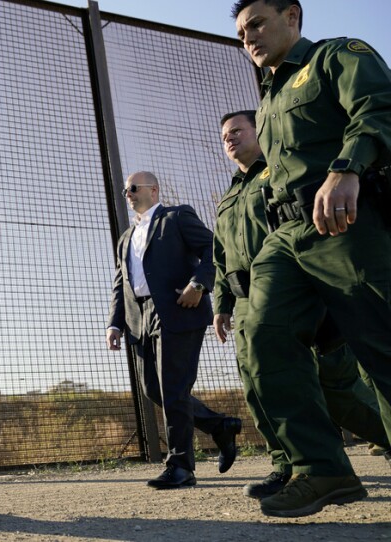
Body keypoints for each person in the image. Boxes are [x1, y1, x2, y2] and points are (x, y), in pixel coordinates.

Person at [232, 0, 391, 517]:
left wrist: (347, 167)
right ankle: (321, 468)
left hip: (345, 221)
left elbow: (379, 106)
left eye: (257, 24)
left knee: (380, 345)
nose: (249, 38)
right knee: (263, 335)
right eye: (242, 33)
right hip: (287, 236)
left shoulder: (335, 56)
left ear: (292, 16)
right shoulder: (268, 97)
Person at [213, 110, 391, 500]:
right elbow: (220, 256)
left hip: (297, 290)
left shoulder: (277, 176)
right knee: (260, 385)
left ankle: (384, 436)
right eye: (224, 136)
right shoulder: (228, 196)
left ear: (260, 131)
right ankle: (288, 465)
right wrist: (222, 302)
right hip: (247, 300)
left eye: (237, 130)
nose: (229, 139)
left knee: (338, 388)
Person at [107, 171, 242, 490]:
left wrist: (199, 284)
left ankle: (181, 466)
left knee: (173, 388)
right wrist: (115, 322)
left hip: (179, 309)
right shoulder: (125, 238)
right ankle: (220, 426)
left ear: (153, 190)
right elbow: (121, 283)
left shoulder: (177, 216)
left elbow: (214, 247)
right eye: (126, 190)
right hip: (139, 318)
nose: (128, 194)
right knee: (153, 389)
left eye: (133, 188)